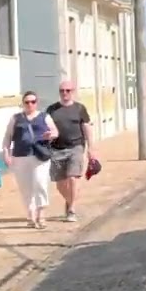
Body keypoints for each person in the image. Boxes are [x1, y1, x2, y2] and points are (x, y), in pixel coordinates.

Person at [2, 91, 58, 229]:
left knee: (40, 183)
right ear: (23, 103)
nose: (30, 104)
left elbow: (55, 132)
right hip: (20, 156)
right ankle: (31, 215)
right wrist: (6, 153)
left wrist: (51, 135)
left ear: (37, 103)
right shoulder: (16, 118)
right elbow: (8, 137)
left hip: (39, 156)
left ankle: (41, 214)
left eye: (33, 101)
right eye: (27, 102)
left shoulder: (45, 116)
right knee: (25, 187)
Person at [45, 79, 92, 222]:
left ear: (73, 92)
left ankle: (72, 209)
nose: (64, 93)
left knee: (73, 177)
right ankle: (70, 200)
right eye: (62, 91)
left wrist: (91, 148)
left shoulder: (79, 108)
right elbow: (45, 126)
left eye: (68, 90)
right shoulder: (51, 109)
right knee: (60, 184)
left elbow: (86, 127)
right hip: (56, 149)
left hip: (76, 147)